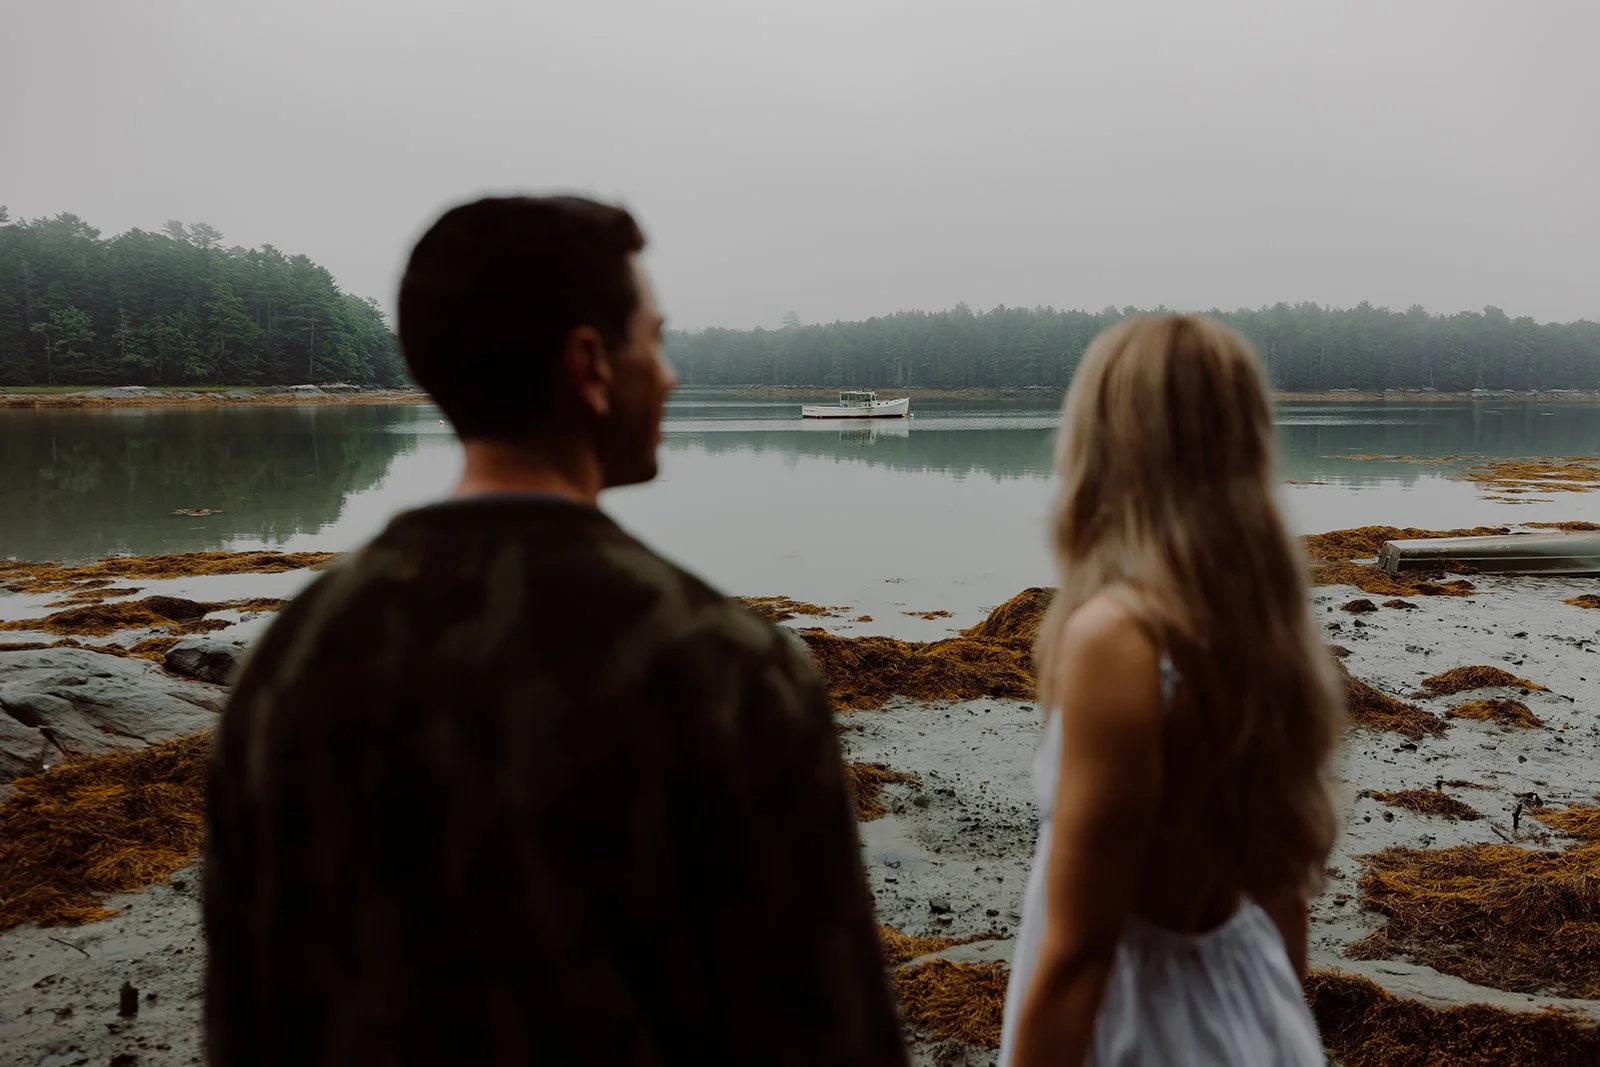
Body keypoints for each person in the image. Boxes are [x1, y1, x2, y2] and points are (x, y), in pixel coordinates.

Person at [202, 195, 908, 1067]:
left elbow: (245, 1011)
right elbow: (824, 1030)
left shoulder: (291, 658)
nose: (672, 372)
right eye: (655, 338)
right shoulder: (726, 667)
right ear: (590, 365)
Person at [998, 315, 1344, 1066]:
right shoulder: (1262, 631)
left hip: (1145, 1032)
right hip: (1251, 1009)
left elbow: (1079, 954)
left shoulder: (1116, 640)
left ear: (1106, 443)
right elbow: (1285, 908)